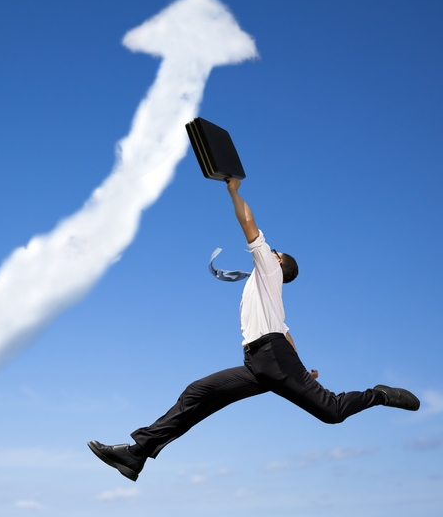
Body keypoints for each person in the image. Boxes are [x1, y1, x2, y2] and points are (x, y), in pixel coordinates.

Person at [88, 177, 420, 482]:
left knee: (331, 411)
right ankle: (135, 455)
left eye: (273, 253)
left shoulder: (270, 271)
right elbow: (286, 333)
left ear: (278, 263)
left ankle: (380, 394)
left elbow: (248, 223)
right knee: (197, 393)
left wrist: (233, 190)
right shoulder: (265, 289)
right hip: (260, 362)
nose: (267, 251)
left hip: (272, 358)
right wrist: (301, 370)